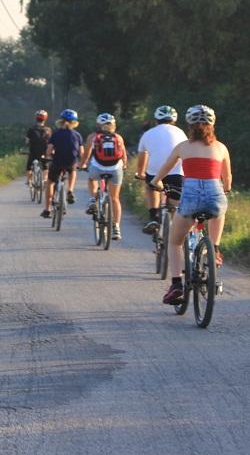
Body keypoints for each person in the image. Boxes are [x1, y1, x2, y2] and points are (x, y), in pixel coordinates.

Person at [149, 105, 232, 305]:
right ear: (212, 125)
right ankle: (215, 249)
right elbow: (227, 179)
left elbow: (164, 169)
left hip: (190, 197)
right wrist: (225, 189)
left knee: (175, 241)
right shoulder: (221, 147)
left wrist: (155, 182)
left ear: (190, 125)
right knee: (219, 208)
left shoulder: (183, 147)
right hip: (214, 195)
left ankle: (176, 284)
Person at [135, 105, 186, 235]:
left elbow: (142, 159)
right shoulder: (180, 132)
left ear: (156, 120)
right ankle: (177, 229)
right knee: (176, 202)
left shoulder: (147, 134)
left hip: (155, 173)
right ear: (174, 120)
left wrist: (140, 173)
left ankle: (153, 216)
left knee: (150, 186)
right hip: (176, 173)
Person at [82, 113, 128, 240]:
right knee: (115, 198)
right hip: (115, 169)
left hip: (98, 168)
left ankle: (92, 199)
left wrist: (82, 165)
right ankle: (116, 227)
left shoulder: (93, 137)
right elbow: (124, 156)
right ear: (113, 125)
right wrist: (124, 166)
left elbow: (86, 154)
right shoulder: (118, 137)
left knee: (92, 178)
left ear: (98, 124)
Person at [41, 109, 83, 219]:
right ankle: (70, 190)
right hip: (71, 161)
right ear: (74, 122)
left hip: (57, 161)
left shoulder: (56, 134)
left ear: (61, 121)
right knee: (73, 170)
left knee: (50, 182)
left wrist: (48, 157)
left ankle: (47, 209)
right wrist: (81, 162)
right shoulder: (77, 135)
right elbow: (81, 151)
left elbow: (49, 149)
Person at [25, 110, 52, 187]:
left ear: (36, 118)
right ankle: (45, 180)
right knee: (45, 166)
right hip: (44, 152)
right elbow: (51, 142)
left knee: (29, 166)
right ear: (45, 118)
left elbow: (27, 141)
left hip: (33, 152)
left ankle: (29, 181)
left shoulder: (31, 129)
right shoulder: (48, 130)